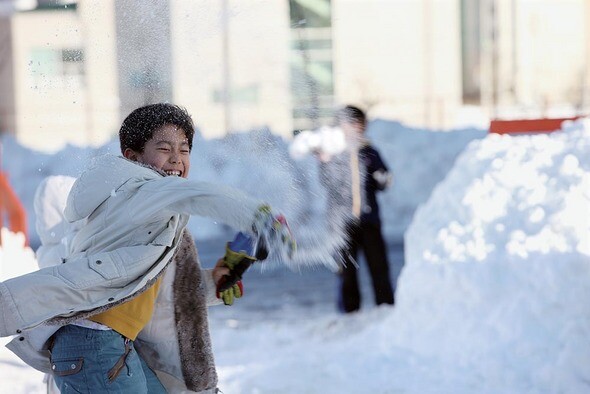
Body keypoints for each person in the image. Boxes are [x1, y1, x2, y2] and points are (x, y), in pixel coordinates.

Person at [0, 103, 294, 393]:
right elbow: (199, 193)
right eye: (164, 149)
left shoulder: (148, 217)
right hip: (95, 345)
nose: (177, 159)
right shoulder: (142, 189)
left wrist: (211, 283)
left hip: (106, 347)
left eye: (184, 149)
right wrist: (257, 216)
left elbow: (154, 289)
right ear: (133, 156)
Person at [318, 105, 394, 313]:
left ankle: (386, 308)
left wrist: (382, 177)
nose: (353, 128)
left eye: (358, 123)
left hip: (369, 220)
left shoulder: (369, 152)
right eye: (348, 123)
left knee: (378, 266)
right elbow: (327, 182)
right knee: (347, 270)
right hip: (342, 224)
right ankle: (349, 312)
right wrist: (326, 162)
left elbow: (383, 180)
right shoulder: (333, 153)